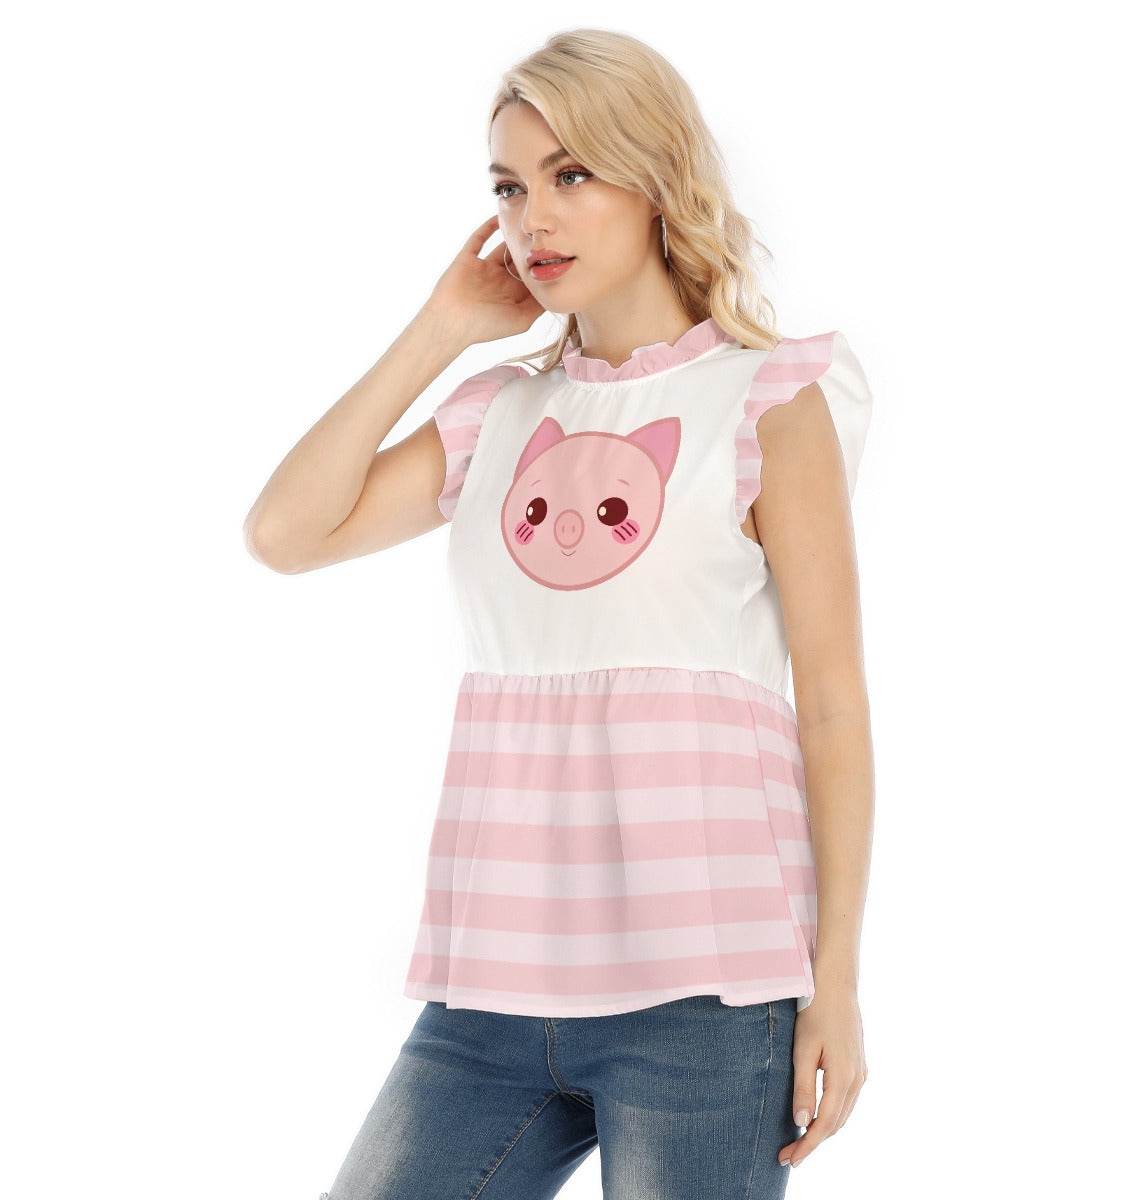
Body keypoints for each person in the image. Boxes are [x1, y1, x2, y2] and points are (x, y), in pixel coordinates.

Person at [244, 28, 875, 1200]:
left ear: (658, 177)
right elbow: (286, 534)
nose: (533, 218)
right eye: (507, 186)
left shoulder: (769, 398)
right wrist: (441, 329)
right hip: (491, 988)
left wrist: (833, 979)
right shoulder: (497, 413)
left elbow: (833, 704)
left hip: (708, 990)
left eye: (571, 174)